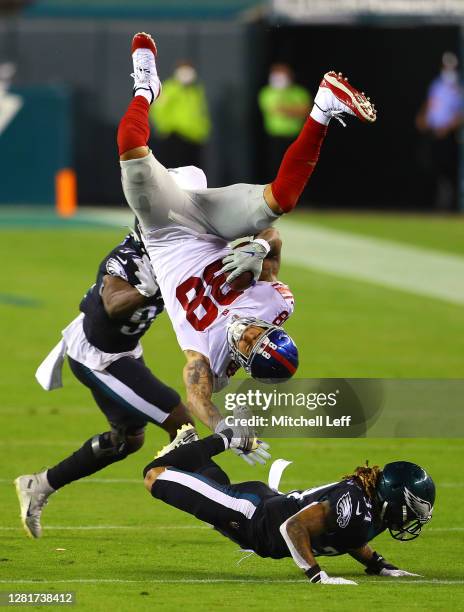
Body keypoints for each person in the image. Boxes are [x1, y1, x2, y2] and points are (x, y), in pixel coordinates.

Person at [116, 32, 376, 457]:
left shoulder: (213, 364)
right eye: (260, 333)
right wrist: (258, 247)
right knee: (280, 202)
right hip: (213, 224)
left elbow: (197, 397)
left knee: (130, 146)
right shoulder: (275, 303)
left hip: (164, 232)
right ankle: (324, 108)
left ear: (246, 363)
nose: (248, 334)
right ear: (273, 327)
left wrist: (224, 427)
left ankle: (144, 87)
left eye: (249, 345)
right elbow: (272, 240)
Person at [15, 229, 194, 538]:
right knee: (182, 426)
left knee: (128, 440)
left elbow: (266, 233)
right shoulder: (126, 258)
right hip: (98, 358)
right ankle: (230, 515)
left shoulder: (176, 252)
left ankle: (39, 484)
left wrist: (257, 246)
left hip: (122, 351)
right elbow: (112, 304)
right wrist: (144, 292)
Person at [143, 425, 435, 584]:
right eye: (412, 509)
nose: (411, 519)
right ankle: (227, 437)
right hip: (250, 513)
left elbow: (350, 536)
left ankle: (190, 451)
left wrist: (379, 565)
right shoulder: (354, 503)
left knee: (212, 489)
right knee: (154, 476)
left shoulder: (370, 511)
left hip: (260, 517)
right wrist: (316, 575)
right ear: (394, 496)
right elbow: (292, 526)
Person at [415, 51, 464, 210]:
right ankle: (429, 204)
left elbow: (460, 114)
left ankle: (445, 207)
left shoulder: (458, 89)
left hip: (447, 136)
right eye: (446, 66)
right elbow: (430, 104)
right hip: (432, 133)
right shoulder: (436, 85)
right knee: (429, 166)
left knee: (447, 172)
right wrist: (422, 116)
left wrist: (448, 127)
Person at [149, 59, 211, 168]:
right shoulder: (169, 88)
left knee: (194, 173)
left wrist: (203, 132)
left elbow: (201, 113)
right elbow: (157, 109)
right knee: (176, 170)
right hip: (175, 137)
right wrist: (165, 129)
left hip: (195, 139)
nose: (186, 74)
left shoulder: (196, 91)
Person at [258, 63, 311, 179]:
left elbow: (306, 111)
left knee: (297, 169)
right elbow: (277, 109)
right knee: (276, 169)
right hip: (275, 137)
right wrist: (294, 109)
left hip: (296, 137)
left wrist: (288, 109)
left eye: (282, 74)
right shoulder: (266, 92)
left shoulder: (300, 92)